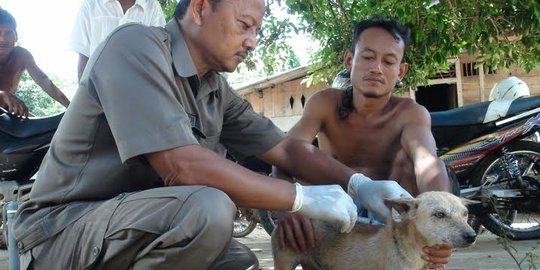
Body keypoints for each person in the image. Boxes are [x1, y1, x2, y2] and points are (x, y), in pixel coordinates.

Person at [13, 1, 412, 269]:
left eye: (257, 29)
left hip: (126, 226)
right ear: (202, 8)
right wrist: (302, 199)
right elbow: (181, 166)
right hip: (61, 230)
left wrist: (358, 184)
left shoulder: (213, 89)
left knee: (239, 263)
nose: (253, 41)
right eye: (245, 25)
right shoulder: (134, 45)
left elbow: (285, 148)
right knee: (207, 209)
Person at [272, 17, 453, 269]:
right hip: (334, 228)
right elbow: (285, 153)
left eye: (389, 61)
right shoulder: (324, 104)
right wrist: (286, 210)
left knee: (423, 164)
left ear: (400, 71)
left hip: (389, 229)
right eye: (367, 57)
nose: (376, 68)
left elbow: (428, 164)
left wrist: (443, 224)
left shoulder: (411, 113)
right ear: (349, 60)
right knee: (304, 154)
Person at [70, 0, 166, 81]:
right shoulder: (91, 6)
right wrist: (85, 98)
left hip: (139, 92)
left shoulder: (152, 7)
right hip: (98, 92)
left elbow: (159, 57)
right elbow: (84, 58)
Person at [0, 8, 70, 118]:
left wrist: (71, 107)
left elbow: (43, 81)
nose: (3, 39)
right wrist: (2, 95)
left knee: (44, 130)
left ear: (16, 36)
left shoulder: (22, 55)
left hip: (8, 115)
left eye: (8, 33)